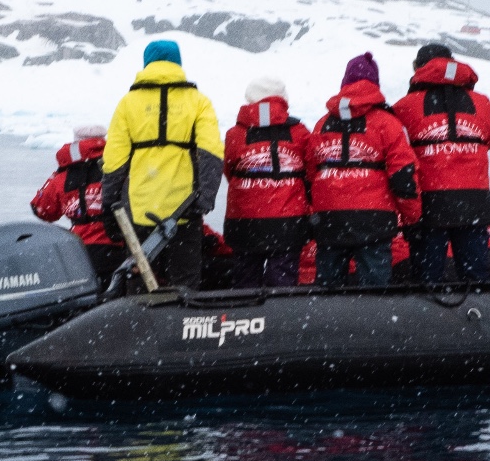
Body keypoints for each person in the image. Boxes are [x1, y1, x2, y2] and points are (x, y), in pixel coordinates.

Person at [101, 40, 224, 289]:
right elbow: (211, 154)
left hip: (138, 210)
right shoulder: (198, 101)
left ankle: (140, 325)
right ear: (177, 63)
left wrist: (109, 209)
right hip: (184, 212)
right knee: (185, 281)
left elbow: (114, 163)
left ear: (147, 63)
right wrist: (205, 200)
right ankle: (183, 324)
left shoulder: (128, 104)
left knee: (139, 283)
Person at [391, 44, 490, 284]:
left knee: (427, 280)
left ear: (418, 68)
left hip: (430, 206)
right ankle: (477, 317)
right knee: (476, 279)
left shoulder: (405, 107)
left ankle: (427, 320)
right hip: (476, 203)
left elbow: (396, 153)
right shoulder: (482, 104)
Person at [306, 53, 419, 288]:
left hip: (329, 218)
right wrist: (412, 217)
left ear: (344, 82)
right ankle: (376, 322)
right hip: (373, 219)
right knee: (375, 288)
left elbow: (310, 172)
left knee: (327, 286)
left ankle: (327, 322)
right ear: (374, 83)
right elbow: (403, 175)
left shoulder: (321, 124)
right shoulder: (387, 123)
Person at [221, 76, 311, 288]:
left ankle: (245, 319)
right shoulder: (299, 132)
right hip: (288, 222)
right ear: (283, 99)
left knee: (245, 278)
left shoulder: (234, 135)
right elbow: (311, 172)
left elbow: (229, 171)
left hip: (244, 221)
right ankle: (280, 320)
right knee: (282, 282)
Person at [29, 123, 130, 286]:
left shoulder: (62, 175)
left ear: (75, 142)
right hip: (118, 247)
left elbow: (42, 209)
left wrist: (57, 176)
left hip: (79, 253)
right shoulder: (119, 166)